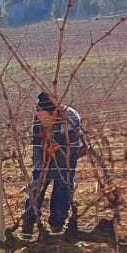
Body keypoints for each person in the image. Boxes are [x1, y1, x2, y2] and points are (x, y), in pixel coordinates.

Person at [20, 91, 85, 241]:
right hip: (44, 155)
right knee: (37, 185)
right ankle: (29, 223)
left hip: (66, 156)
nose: (41, 119)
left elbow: (71, 148)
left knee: (63, 183)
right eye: (39, 114)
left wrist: (56, 147)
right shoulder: (38, 117)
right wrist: (42, 160)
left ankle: (57, 224)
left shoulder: (71, 118)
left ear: (54, 113)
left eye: (45, 117)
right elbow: (37, 143)